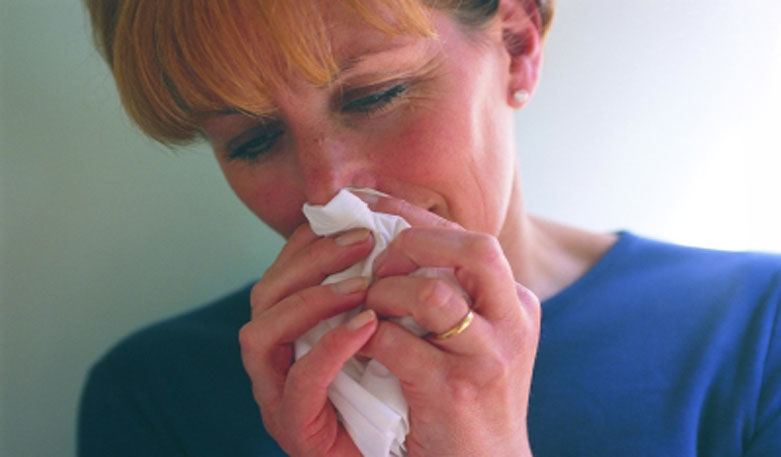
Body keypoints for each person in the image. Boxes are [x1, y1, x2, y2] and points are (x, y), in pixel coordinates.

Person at [78, 0, 781, 456]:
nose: (326, 188)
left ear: (517, 40)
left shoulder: (753, 330)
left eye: (375, 95)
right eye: (254, 141)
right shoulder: (157, 395)